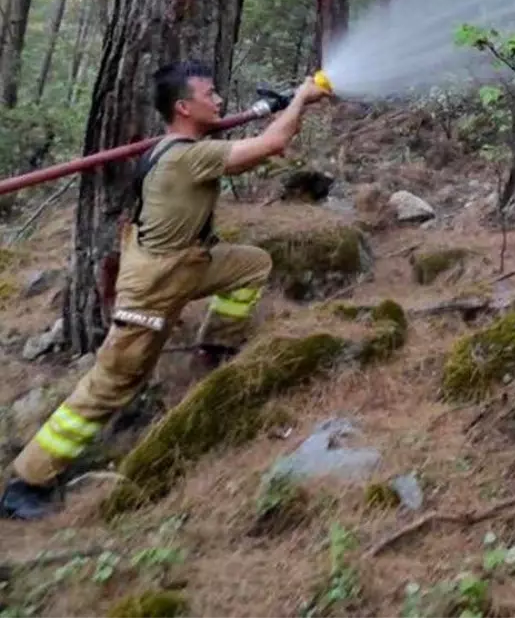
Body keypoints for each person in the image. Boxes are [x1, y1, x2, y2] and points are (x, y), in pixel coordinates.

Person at [1, 62, 328, 521]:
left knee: (252, 264)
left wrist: (277, 108)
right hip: (151, 290)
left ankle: (216, 347)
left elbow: (251, 144)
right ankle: (27, 482)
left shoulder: (181, 148)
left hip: (187, 265)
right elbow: (272, 144)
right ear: (183, 106)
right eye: (210, 94)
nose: (218, 100)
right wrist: (299, 101)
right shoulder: (184, 157)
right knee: (111, 384)